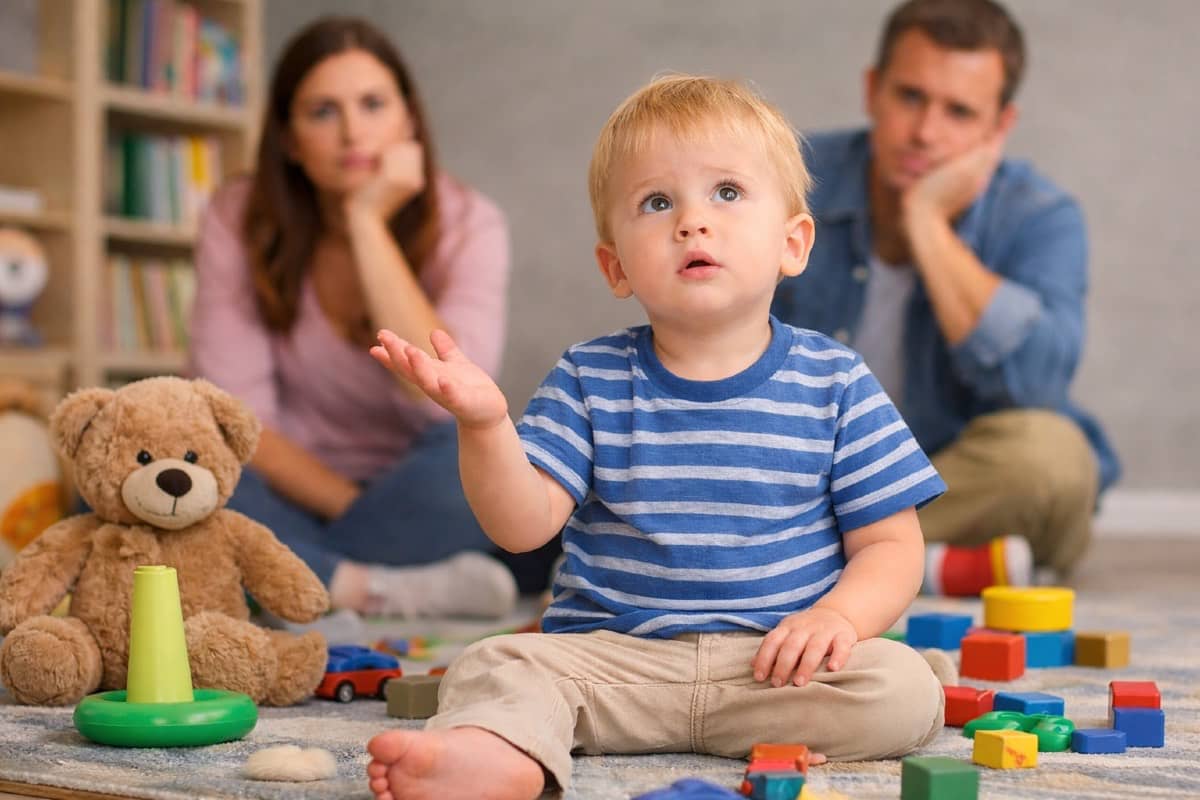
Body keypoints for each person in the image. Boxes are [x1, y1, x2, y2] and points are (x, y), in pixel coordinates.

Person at [362, 75, 949, 800]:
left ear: (793, 243)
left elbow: (892, 548)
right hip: (613, 665)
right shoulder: (588, 377)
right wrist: (486, 427)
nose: (691, 223)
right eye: (657, 202)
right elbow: (520, 528)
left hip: (774, 668)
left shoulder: (836, 381)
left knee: (903, 686)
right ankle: (508, 762)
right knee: (494, 665)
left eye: (727, 193)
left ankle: (554, 735)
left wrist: (836, 617)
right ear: (616, 265)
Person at [189, 17, 557, 619]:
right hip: (284, 490)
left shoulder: (470, 221)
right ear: (287, 138)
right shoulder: (238, 216)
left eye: (372, 104)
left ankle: (281, 574)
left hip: (424, 486)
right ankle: (375, 586)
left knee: (472, 461)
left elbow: (441, 394)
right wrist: (351, 508)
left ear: (409, 120)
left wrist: (367, 223)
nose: (352, 131)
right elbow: (238, 419)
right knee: (147, 479)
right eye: (322, 112)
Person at [772, 0, 1120, 591]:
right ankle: (918, 567)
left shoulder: (1041, 216)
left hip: (953, 476)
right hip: (810, 475)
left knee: (1053, 461)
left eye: (959, 111)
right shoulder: (787, 177)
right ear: (873, 90)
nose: (926, 133)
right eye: (910, 97)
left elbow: (1037, 387)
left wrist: (927, 222)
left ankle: (816, 561)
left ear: (999, 127)